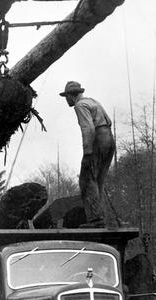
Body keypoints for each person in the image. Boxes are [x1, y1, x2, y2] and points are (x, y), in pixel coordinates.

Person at [60, 81, 115, 227]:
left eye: (66, 97)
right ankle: (100, 218)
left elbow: (88, 128)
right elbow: (108, 121)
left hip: (97, 139)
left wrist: (88, 151)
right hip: (109, 139)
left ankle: (95, 220)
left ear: (72, 96)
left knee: (87, 180)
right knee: (99, 180)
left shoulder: (80, 105)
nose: (66, 100)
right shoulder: (93, 102)